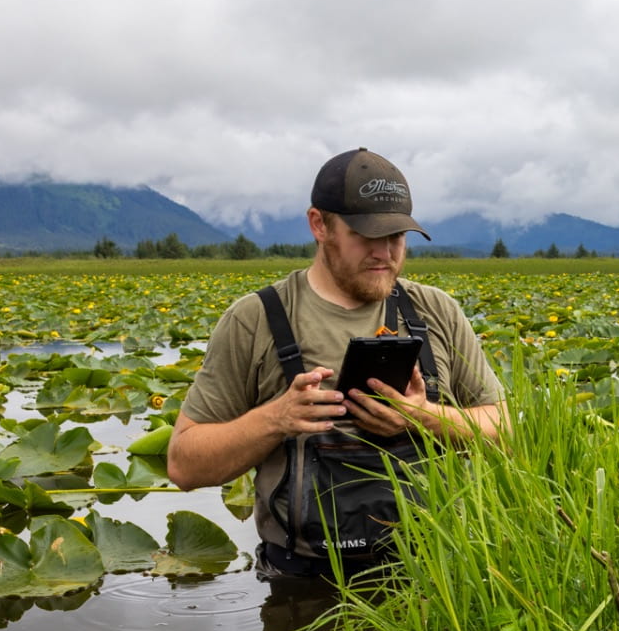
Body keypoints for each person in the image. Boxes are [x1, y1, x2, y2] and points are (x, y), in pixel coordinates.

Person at [168, 148, 506, 576]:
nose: (385, 252)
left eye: (397, 236)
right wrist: (276, 419)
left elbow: (507, 430)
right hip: (301, 585)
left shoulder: (435, 311)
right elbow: (183, 465)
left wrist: (425, 417)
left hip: (434, 578)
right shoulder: (256, 320)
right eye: (366, 235)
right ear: (318, 224)